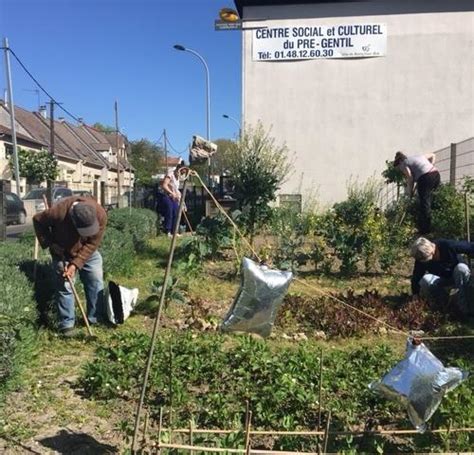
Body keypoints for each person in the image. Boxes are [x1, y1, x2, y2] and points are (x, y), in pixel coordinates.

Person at [33, 196, 107, 337]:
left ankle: (95, 318)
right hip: (62, 251)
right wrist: (50, 243)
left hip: (88, 251)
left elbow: (92, 243)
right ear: (72, 220)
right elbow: (37, 220)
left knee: (95, 281)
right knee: (65, 286)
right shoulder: (58, 212)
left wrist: (75, 264)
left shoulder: (100, 214)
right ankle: (67, 325)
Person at [410, 237, 473, 314]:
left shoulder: (447, 245)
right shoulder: (421, 257)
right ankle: (446, 307)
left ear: (431, 251)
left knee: (461, 268)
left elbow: (470, 246)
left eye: (425, 259)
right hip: (443, 279)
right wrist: (415, 294)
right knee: (425, 280)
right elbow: (417, 276)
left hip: (459, 277)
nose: (423, 261)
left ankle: (467, 310)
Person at [394, 151, 440, 234]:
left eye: (398, 169)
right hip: (436, 175)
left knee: (424, 204)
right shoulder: (417, 156)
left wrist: (410, 192)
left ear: (399, 162)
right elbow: (433, 155)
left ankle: (425, 230)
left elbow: (410, 178)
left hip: (425, 178)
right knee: (428, 200)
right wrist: (431, 166)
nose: (400, 171)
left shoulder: (403, 164)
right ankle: (433, 225)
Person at [156, 161, 184, 237]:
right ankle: (167, 231)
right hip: (166, 196)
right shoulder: (170, 174)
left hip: (174, 197)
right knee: (170, 210)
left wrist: (179, 197)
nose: (181, 174)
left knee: (176, 211)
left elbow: (176, 189)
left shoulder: (178, 178)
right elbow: (164, 185)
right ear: (177, 170)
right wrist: (171, 193)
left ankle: (174, 231)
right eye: (180, 172)